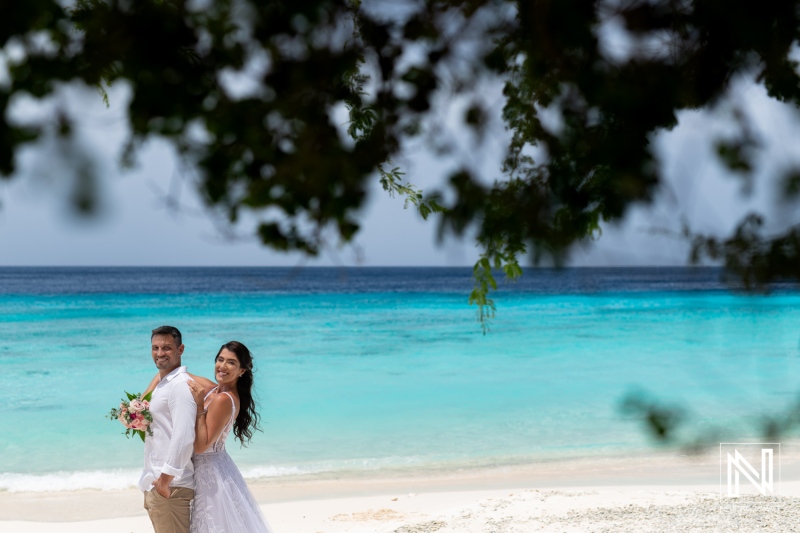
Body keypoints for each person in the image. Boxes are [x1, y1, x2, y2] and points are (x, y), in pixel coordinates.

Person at [187, 341, 274, 533]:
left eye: (231, 362)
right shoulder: (214, 390)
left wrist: (199, 406)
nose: (223, 366)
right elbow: (178, 373)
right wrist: (140, 404)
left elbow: (201, 446)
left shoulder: (222, 399)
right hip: (219, 467)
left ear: (242, 371)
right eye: (220, 359)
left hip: (209, 473)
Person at [138, 325, 197, 533]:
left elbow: (184, 435)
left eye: (166, 348)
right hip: (157, 483)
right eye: (155, 348)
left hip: (171, 486)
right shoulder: (163, 384)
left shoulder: (180, 386)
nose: (159, 353)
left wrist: (165, 479)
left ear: (180, 350)